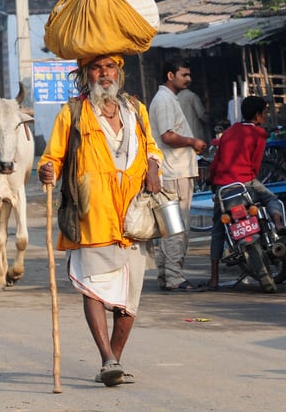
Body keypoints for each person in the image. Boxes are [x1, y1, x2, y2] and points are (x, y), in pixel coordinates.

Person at [37, 54, 163, 387]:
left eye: (109, 67)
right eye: (96, 68)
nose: (103, 73)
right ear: (85, 74)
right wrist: (47, 170)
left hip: (133, 216)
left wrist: (153, 168)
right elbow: (52, 158)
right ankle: (107, 358)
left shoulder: (136, 109)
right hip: (91, 213)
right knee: (92, 287)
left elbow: (153, 147)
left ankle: (115, 361)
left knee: (130, 296)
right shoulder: (72, 112)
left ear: (119, 73)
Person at [205, 95, 286, 292]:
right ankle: (279, 224)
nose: (265, 116)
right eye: (264, 113)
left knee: (217, 231)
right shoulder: (258, 134)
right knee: (272, 198)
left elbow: (216, 162)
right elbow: (255, 165)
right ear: (257, 115)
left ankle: (214, 277)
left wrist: (213, 181)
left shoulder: (228, 133)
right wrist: (249, 180)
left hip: (223, 188)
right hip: (246, 183)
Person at [148, 57, 207, 292]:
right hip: (174, 172)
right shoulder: (163, 100)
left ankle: (166, 275)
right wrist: (193, 141)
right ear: (170, 76)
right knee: (176, 228)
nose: (188, 79)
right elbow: (167, 136)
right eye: (184, 74)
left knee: (170, 227)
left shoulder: (168, 99)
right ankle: (174, 277)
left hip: (176, 170)